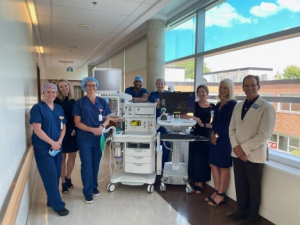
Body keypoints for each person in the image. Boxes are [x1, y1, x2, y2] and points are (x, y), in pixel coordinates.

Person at [227, 75, 276, 225]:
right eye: (246, 85)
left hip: (253, 155)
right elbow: (232, 128)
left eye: (252, 85)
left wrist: (243, 149)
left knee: (254, 188)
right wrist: (237, 148)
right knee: (240, 184)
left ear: (258, 86)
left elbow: (264, 134)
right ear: (242, 88)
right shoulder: (238, 106)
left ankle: (253, 217)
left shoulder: (267, 107)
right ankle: (241, 211)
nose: (249, 88)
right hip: (237, 153)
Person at [29, 83, 69, 216]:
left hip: (57, 146)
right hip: (43, 148)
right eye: (48, 92)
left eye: (53, 92)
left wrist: (59, 142)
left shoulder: (58, 108)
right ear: (43, 93)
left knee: (57, 174)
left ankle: (51, 200)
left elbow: (63, 127)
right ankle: (57, 205)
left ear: (56, 94)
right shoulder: (37, 108)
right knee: (50, 175)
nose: (51, 94)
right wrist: (52, 142)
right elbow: (37, 130)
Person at [73, 77, 111, 204]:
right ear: (84, 87)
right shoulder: (79, 103)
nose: (91, 87)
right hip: (85, 138)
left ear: (97, 86)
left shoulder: (102, 102)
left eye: (94, 85)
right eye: (89, 85)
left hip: (99, 138)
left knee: (95, 164)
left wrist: (102, 126)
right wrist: (91, 129)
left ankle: (94, 187)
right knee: (87, 165)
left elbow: (107, 118)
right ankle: (87, 192)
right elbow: (77, 123)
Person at [207, 78, 237, 206]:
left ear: (230, 89)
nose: (222, 90)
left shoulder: (233, 104)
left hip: (225, 140)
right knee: (213, 164)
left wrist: (217, 135)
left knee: (223, 167)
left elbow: (229, 125)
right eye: (221, 87)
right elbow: (215, 122)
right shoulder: (219, 104)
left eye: (225, 88)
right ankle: (217, 190)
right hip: (215, 138)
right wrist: (212, 134)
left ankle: (221, 195)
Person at [182, 85, 215, 193]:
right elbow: (182, 115)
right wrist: (194, 117)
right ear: (197, 93)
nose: (201, 93)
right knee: (194, 156)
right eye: (199, 92)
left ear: (207, 93)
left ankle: (200, 182)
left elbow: (214, 123)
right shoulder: (194, 105)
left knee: (202, 158)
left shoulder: (212, 106)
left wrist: (205, 125)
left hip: (206, 133)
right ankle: (194, 180)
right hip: (195, 132)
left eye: (203, 91)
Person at [54, 79, 78, 194]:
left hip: (72, 132)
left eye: (65, 86)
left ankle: (68, 177)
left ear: (69, 87)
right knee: (62, 157)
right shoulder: (57, 101)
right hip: (61, 132)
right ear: (58, 89)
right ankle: (63, 182)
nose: (64, 88)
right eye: (61, 87)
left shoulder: (74, 101)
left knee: (72, 156)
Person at [148, 78, 170, 168]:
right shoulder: (153, 94)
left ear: (164, 84)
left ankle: (163, 165)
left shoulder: (168, 94)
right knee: (154, 144)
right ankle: (153, 165)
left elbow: (170, 104)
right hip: (155, 123)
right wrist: (161, 102)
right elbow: (153, 100)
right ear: (156, 84)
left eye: (162, 84)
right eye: (158, 84)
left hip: (166, 124)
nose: (160, 85)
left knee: (166, 144)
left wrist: (159, 102)